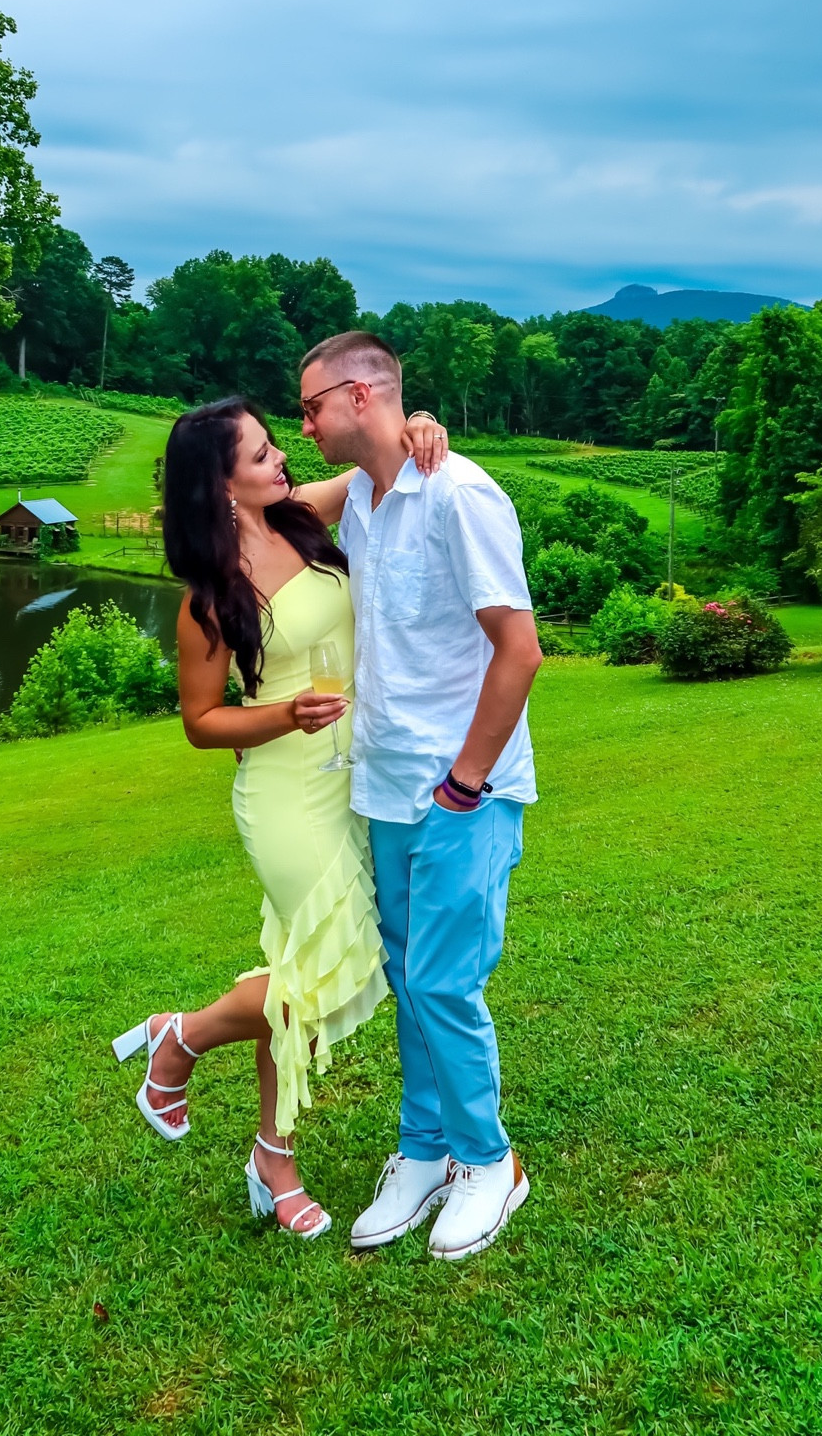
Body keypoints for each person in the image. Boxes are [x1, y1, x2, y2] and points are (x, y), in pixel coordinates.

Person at [111, 395, 447, 1239]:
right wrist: (281, 715)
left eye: (274, 448)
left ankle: (261, 1137)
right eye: (260, 456)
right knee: (322, 973)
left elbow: (379, 466)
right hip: (285, 789)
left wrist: (420, 426)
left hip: (354, 777)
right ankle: (191, 1049)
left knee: (305, 974)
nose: (279, 463)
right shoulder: (207, 597)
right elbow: (200, 721)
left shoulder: (300, 518)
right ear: (220, 484)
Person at [299, 331, 542, 1262]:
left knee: (445, 978)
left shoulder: (461, 493)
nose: (305, 422)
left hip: (459, 791)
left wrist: (464, 785)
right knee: (410, 979)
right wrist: (401, 439)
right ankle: (425, 1149)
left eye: (314, 404)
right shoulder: (364, 493)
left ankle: (490, 1162)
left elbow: (518, 650)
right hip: (389, 784)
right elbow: (265, 503)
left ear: (359, 395)